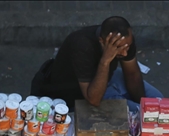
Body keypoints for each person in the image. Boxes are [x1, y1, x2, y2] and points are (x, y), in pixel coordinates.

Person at [30, 16, 162, 109]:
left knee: (158, 101)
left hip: (110, 77)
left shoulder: (124, 42)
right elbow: (93, 99)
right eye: (119, 49)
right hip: (83, 90)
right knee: (133, 113)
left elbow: (132, 74)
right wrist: (105, 60)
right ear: (102, 42)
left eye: (127, 47)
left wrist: (144, 106)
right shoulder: (81, 46)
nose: (125, 53)